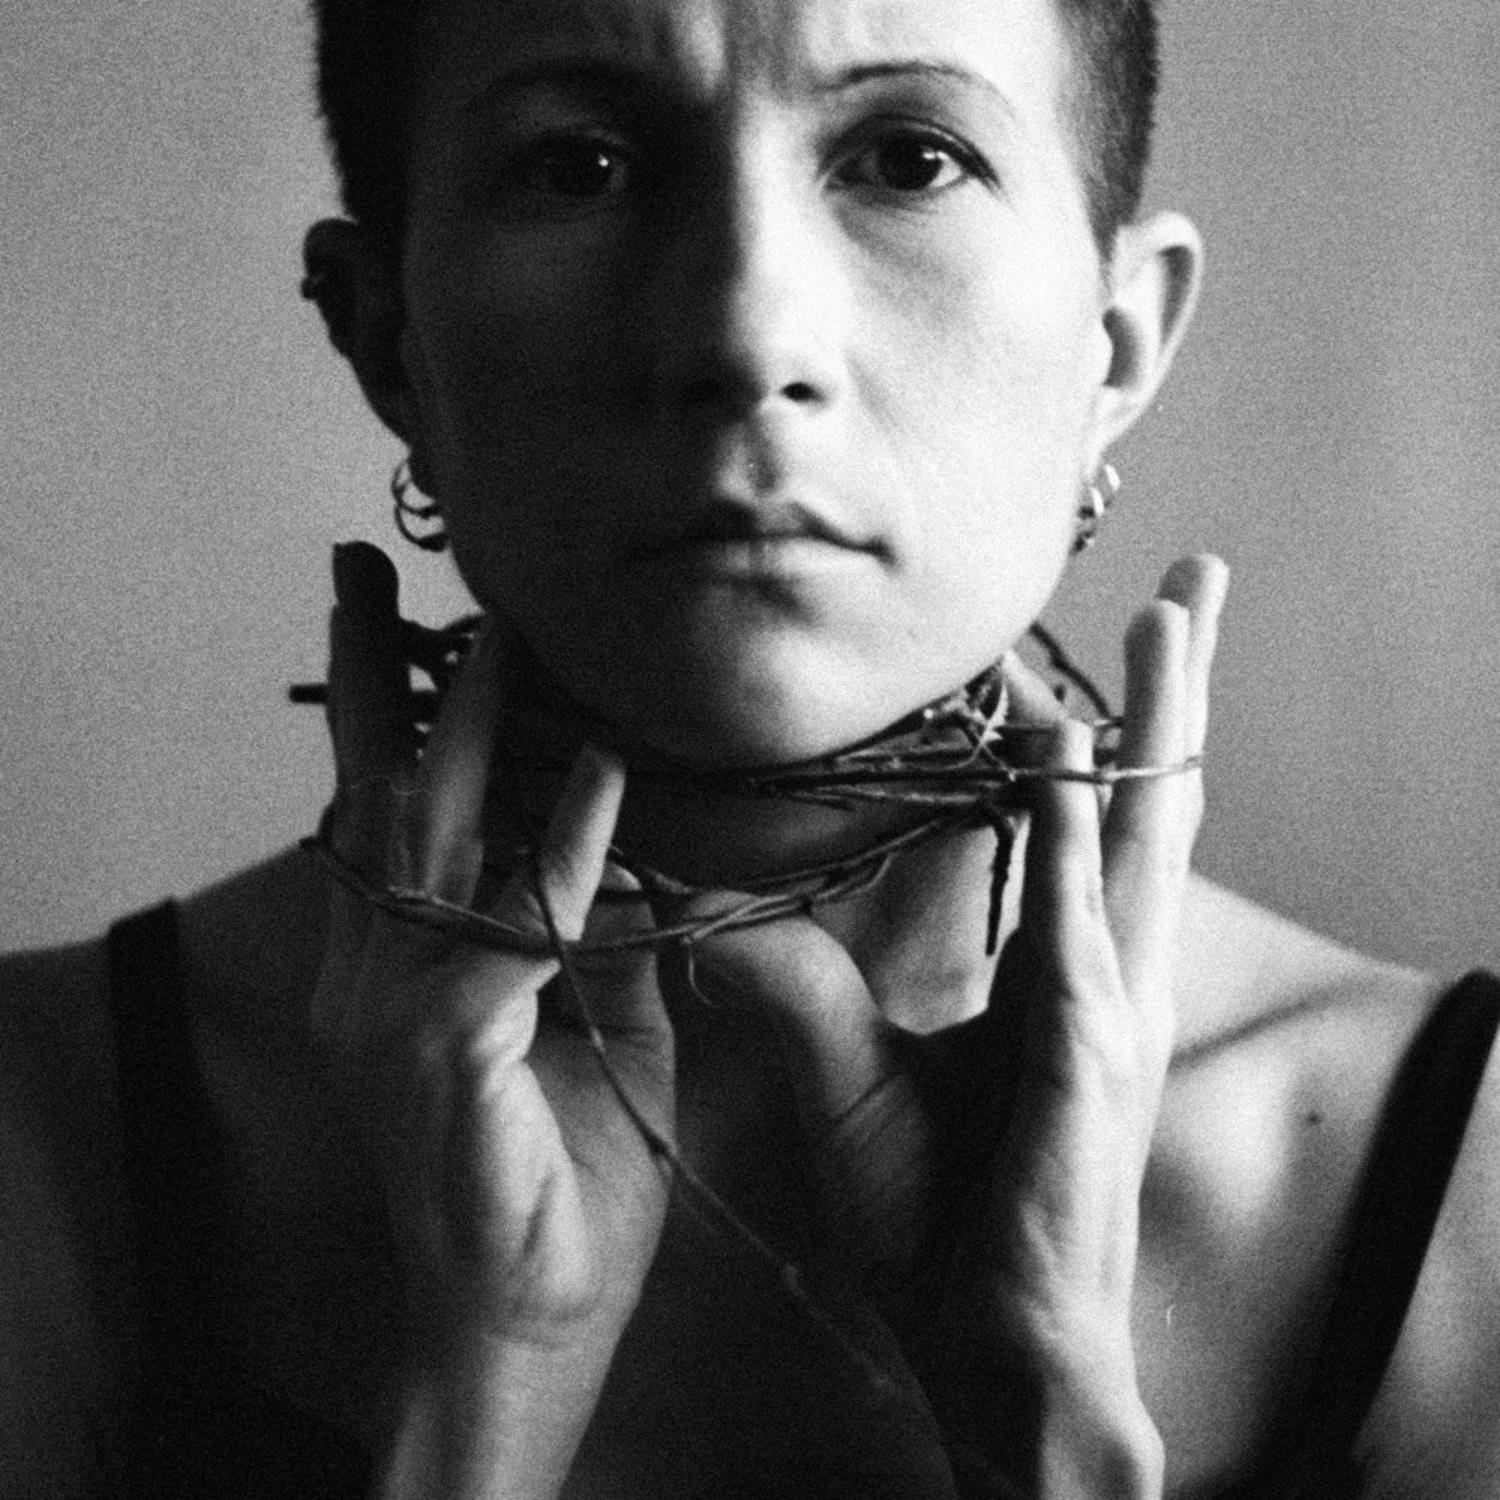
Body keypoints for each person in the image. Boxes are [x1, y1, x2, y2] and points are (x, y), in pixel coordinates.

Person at [2, 0, 1497, 1496]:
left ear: (1118, 341)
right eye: (579, 167)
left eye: (910, 159)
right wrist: (479, 1399)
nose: (746, 336)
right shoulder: (45, 1134)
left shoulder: (1458, 1177)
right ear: (386, 332)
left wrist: (1047, 1425)